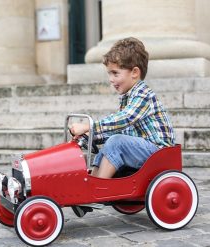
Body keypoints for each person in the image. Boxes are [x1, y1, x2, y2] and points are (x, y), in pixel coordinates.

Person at [70, 37, 175, 216]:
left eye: (115, 73)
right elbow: (119, 128)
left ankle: (96, 191)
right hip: (143, 149)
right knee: (111, 141)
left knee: (116, 142)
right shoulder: (128, 97)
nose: (111, 79)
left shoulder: (143, 94)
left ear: (134, 72)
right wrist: (90, 136)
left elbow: (125, 119)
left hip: (159, 152)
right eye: (109, 74)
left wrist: (89, 125)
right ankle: (91, 184)